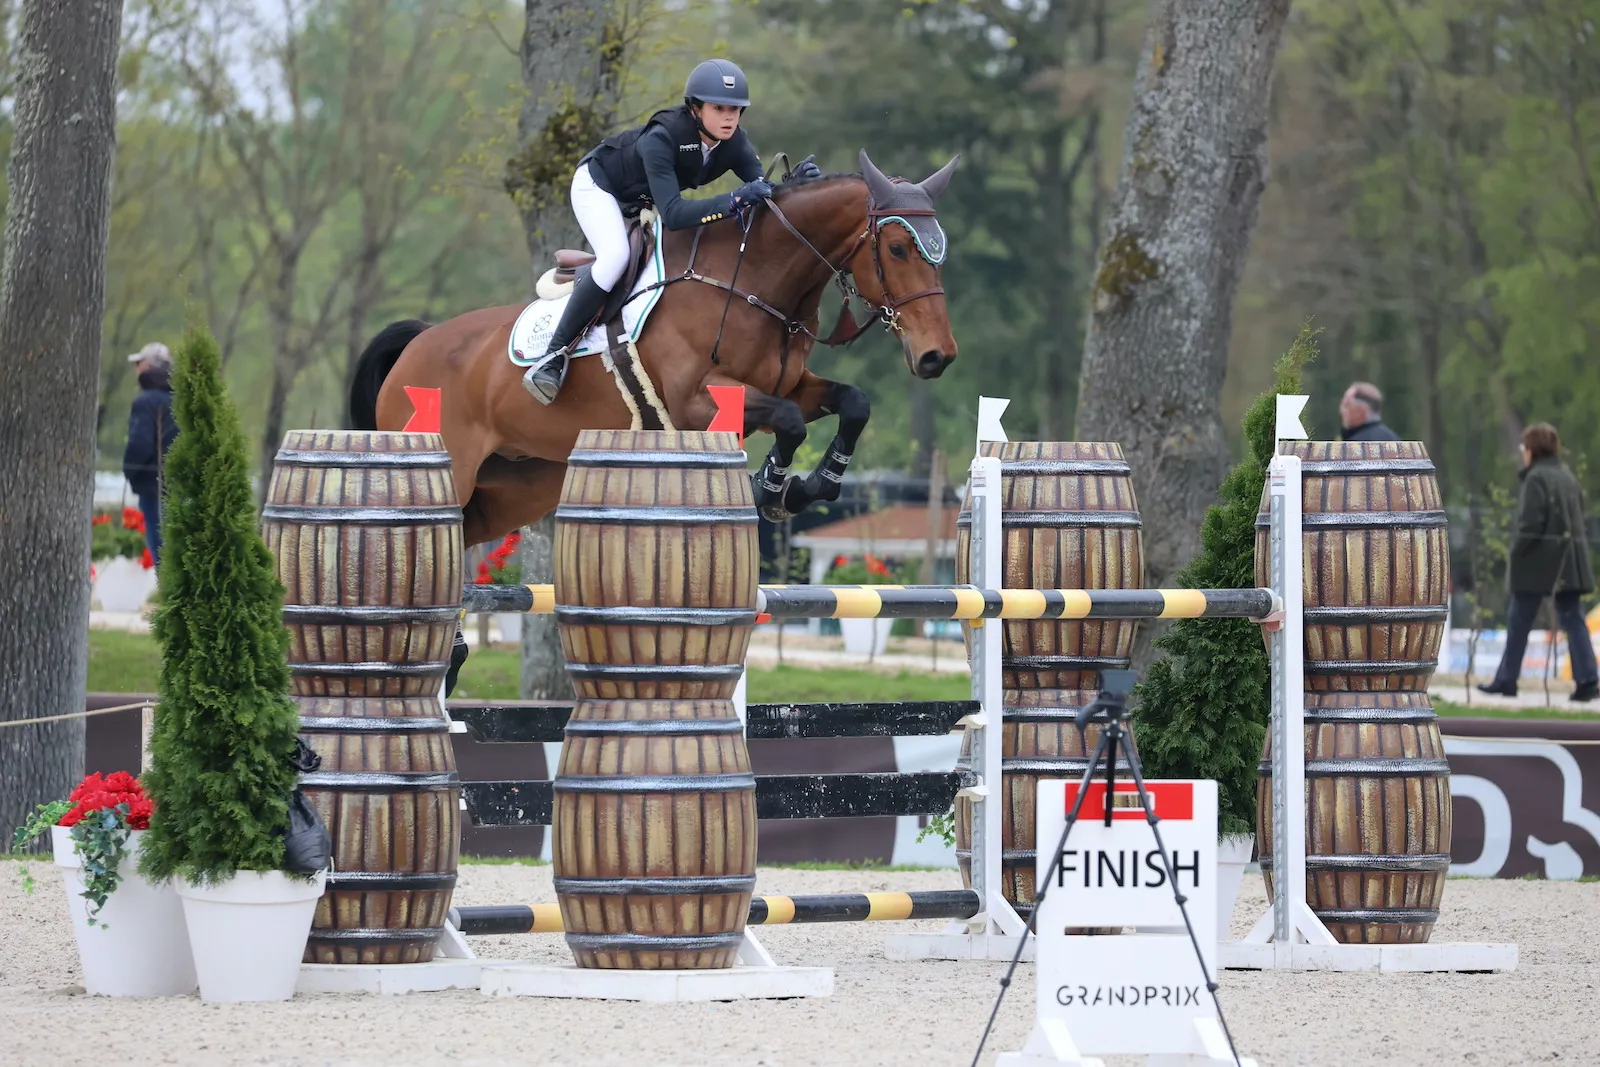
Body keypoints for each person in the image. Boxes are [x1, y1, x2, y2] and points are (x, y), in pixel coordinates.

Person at [521, 58, 821, 404]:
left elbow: (760, 190)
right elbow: (676, 215)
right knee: (616, 256)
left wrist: (795, 188)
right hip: (599, 186)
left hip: (642, 198)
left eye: (736, 110)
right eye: (719, 108)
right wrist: (736, 199)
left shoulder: (734, 142)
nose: (729, 118)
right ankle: (553, 356)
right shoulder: (662, 138)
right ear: (695, 109)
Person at [1478, 423, 1598, 702]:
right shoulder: (1568, 477)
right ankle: (1588, 679)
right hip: (1570, 562)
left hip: (1537, 564)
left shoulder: (1536, 479)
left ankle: (1507, 679)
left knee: (1519, 620)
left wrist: (1516, 551)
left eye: (1524, 448)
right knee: (1574, 620)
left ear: (1531, 449)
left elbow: (1531, 524)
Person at [122, 342, 178, 566]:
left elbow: (140, 444)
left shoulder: (145, 402)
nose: (136, 368)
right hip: (182, 485)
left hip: (153, 486)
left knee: (160, 548)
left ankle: (167, 596)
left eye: (139, 363)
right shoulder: (181, 400)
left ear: (149, 366)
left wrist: (130, 472)